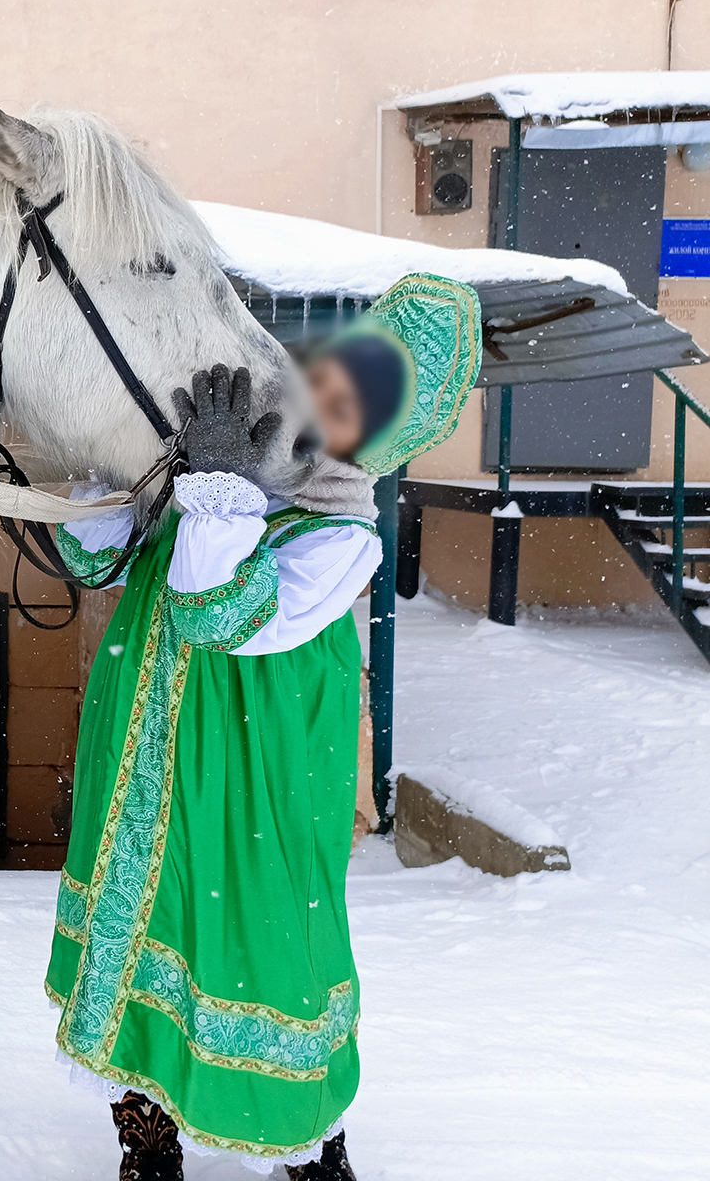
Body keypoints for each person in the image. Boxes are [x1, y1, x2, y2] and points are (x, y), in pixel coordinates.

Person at [46, 274, 482, 1180]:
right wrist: (118, 453)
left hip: (257, 781)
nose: (331, 407)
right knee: (148, 931)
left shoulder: (339, 534)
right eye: (340, 378)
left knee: (267, 941)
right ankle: (148, 1141)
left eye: (366, 399)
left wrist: (216, 486)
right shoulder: (233, 463)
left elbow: (220, 616)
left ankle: (307, 1138)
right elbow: (91, 553)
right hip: (148, 759)